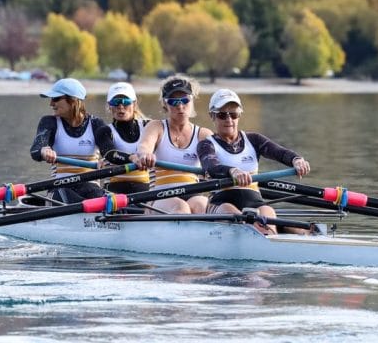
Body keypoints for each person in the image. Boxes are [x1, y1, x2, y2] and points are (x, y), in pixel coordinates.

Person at [198, 88, 311, 235]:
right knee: (232, 214)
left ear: (239, 115)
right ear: (212, 116)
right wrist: (232, 171)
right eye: (222, 115)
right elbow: (211, 167)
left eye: (233, 114)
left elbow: (279, 152)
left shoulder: (254, 140)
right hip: (220, 204)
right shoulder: (206, 145)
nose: (229, 120)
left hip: (255, 201)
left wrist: (296, 160)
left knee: (267, 211)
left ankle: (273, 240)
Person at [134, 75, 213, 214]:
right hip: (159, 196)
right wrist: (145, 154)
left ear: (192, 100)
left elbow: (219, 162)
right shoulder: (156, 127)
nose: (180, 106)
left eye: (185, 100)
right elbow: (144, 146)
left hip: (193, 193)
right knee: (181, 208)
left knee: (203, 205)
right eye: (173, 102)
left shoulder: (203, 134)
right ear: (165, 104)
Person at [30, 77, 112, 203]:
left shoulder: (96, 124)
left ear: (73, 100)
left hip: (90, 187)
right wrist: (44, 150)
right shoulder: (49, 122)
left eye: (56, 99)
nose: (51, 104)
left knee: (99, 198)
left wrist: (106, 160)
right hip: (59, 187)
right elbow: (36, 150)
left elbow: (110, 152)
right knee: (66, 196)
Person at [94, 82, 151, 194]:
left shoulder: (149, 126)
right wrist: (132, 158)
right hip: (115, 189)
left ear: (134, 104)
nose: (121, 106)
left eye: (126, 102)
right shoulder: (104, 131)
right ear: (109, 106)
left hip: (146, 188)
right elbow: (110, 153)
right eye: (116, 102)